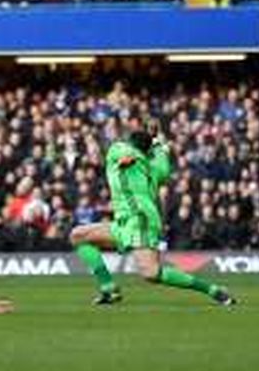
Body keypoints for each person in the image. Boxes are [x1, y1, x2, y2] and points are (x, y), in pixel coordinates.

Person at [70, 124, 237, 306]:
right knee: (79, 236)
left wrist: (130, 156)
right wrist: (156, 143)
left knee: (151, 273)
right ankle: (109, 288)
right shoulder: (156, 166)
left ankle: (213, 290)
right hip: (126, 221)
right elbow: (162, 162)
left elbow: (126, 152)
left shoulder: (119, 149)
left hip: (139, 218)